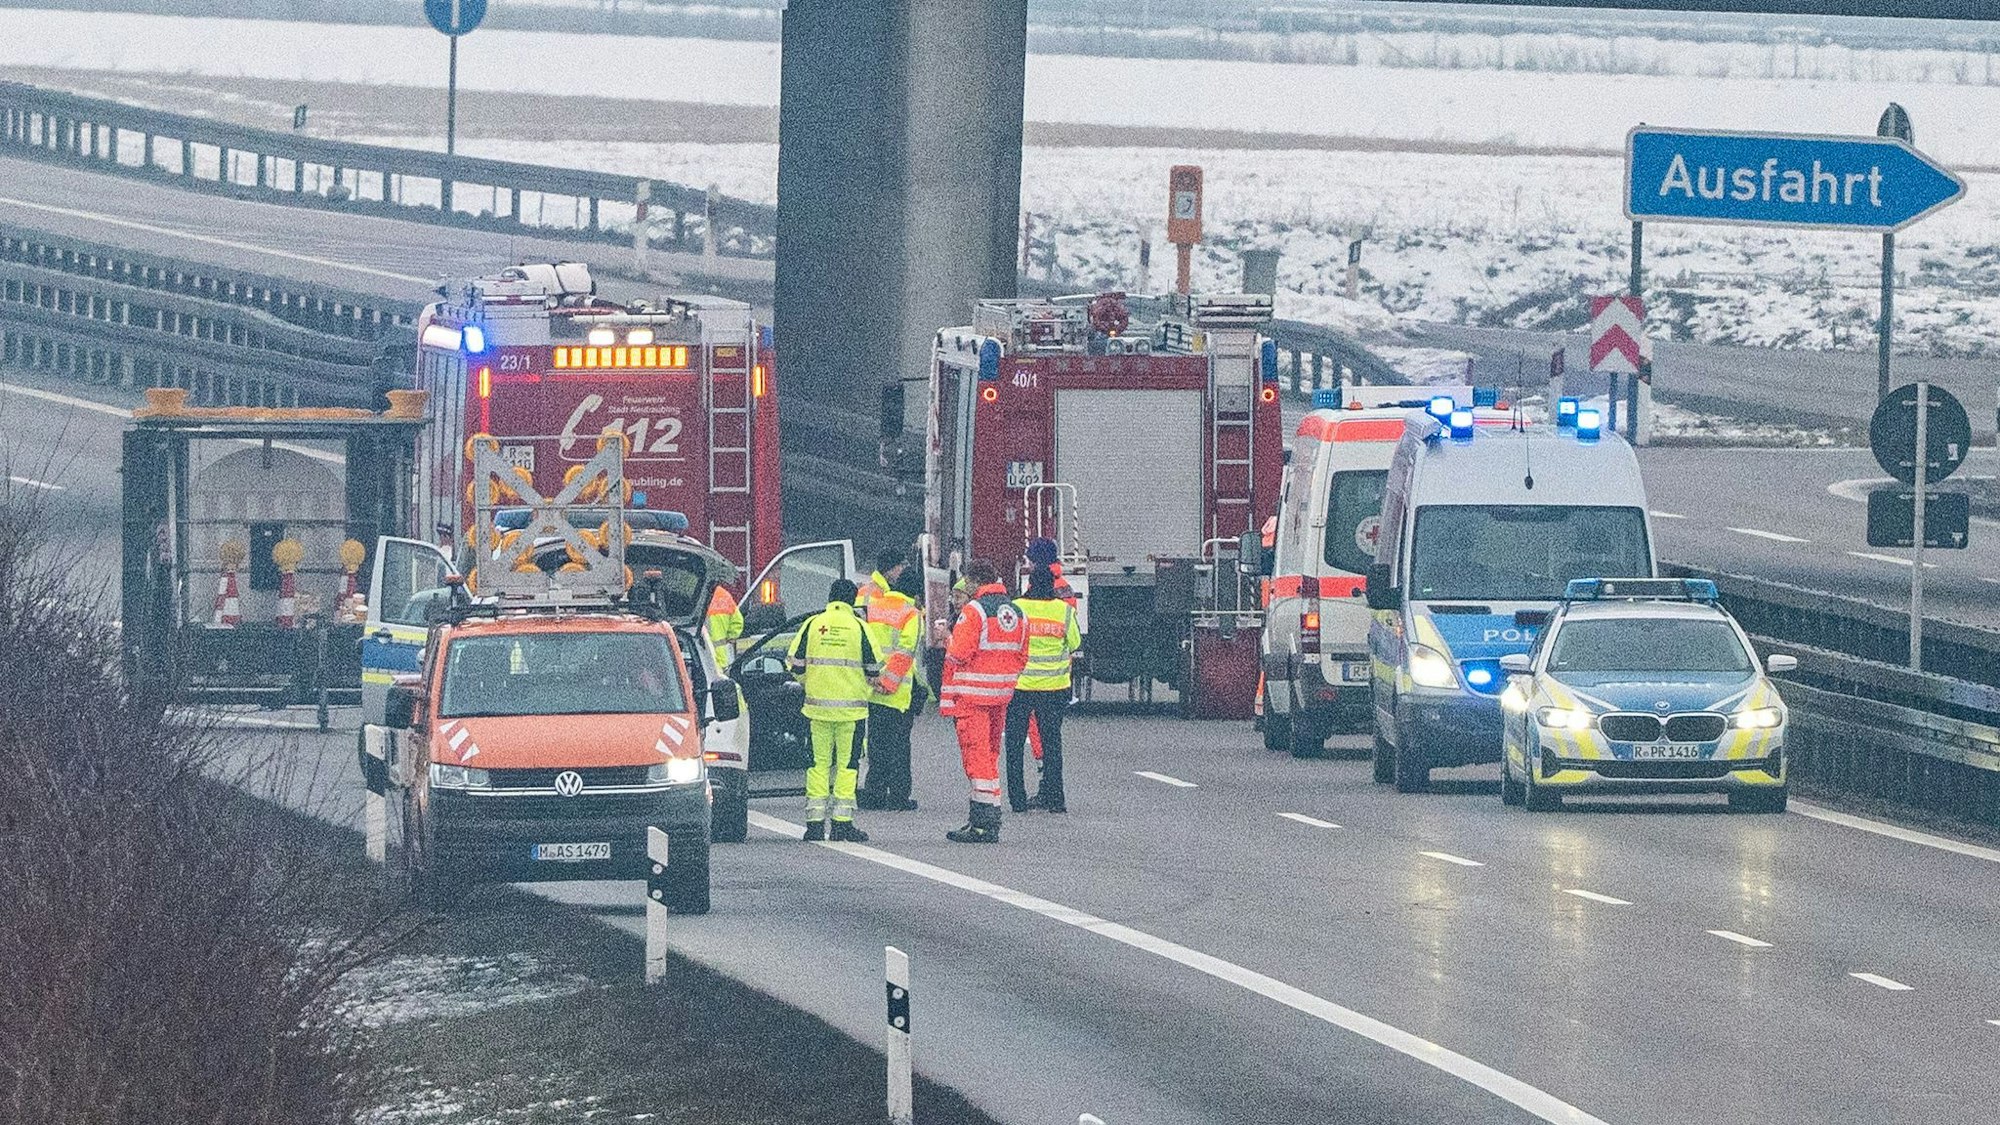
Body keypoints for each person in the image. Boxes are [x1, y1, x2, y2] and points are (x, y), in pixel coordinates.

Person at [938, 559, 1027, 844]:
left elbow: (958, 654)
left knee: (977, 760)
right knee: (990, 757)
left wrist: (947, 639)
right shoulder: (1016, 611)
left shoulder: (974, 611)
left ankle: (983, 822)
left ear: (975, 582)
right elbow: (1022, 655)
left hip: (973, 697)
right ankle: (988, 817)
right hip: (1001, 695)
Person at [787, 577, 882, 842]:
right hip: (852, 713)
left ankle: (815, 824)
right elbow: (875, 668)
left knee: (817, 765)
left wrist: (812, 682)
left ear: (830, 597)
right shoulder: (860, 627)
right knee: (847, 766)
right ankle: (842, 824)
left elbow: (795, 664)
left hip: (816, 711)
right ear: (852, 600)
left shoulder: (813, 624)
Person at [1004, 565, 1081, 813]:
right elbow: (1075, 643)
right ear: (1052, 587)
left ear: (1029, 585)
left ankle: (1017, 801)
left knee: (1015, 744)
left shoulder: (1017, 608)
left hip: (1020, 687)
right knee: (1052, 744)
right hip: (1054, 688)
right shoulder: (1064, 611)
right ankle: (1056, 800)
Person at [856, 557, 924, 812]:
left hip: (872, 689)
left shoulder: (874, 608)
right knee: (899, 746)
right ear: (915, 592)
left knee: (876, 744)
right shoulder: (911, 614)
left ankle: (874, 792)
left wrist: (875, 680)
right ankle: (898, 795)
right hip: (896, 693)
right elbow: (906, 653)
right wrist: (889, 683)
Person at [706, 584, 744, 667]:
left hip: (703, 657)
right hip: (722, 657)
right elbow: (738, 621)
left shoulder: (697, 596)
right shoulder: (724, 595)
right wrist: (730, 637)